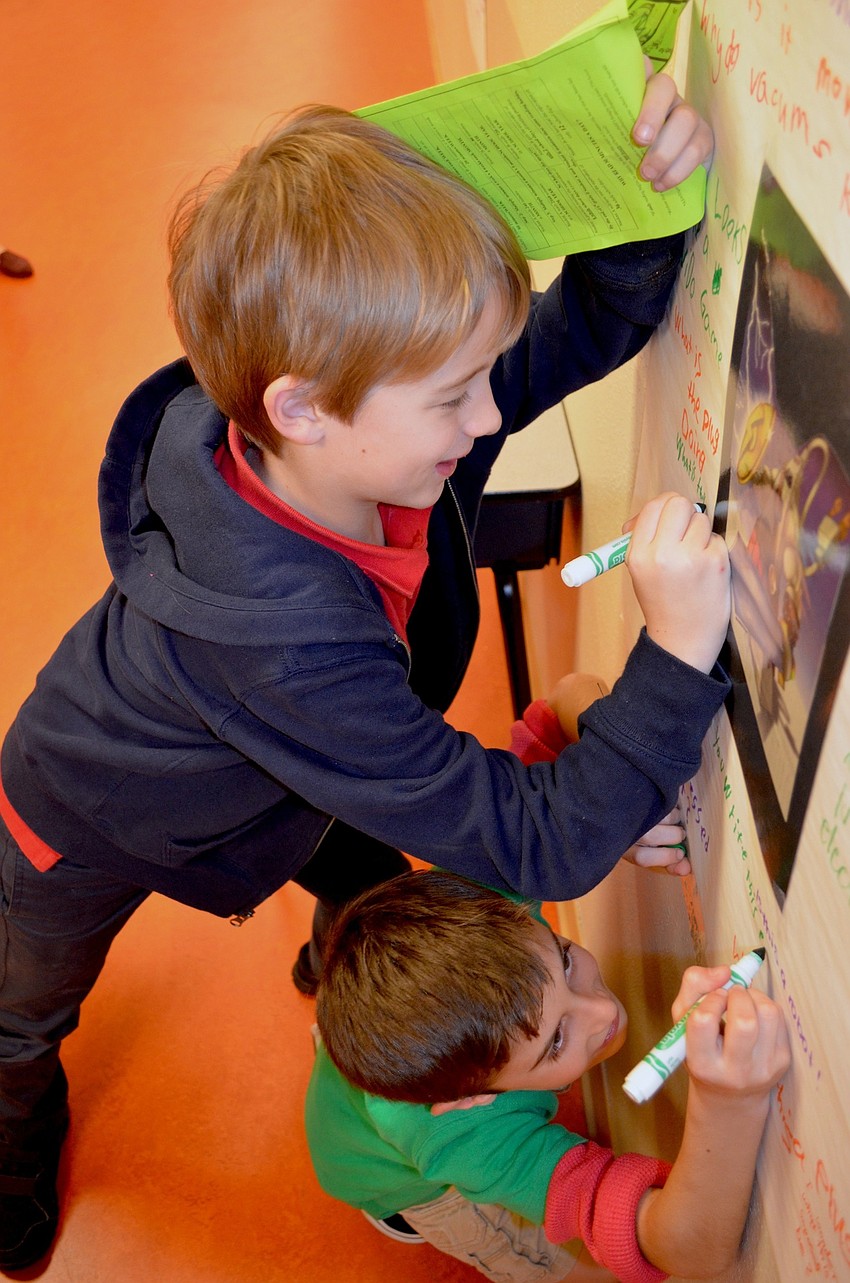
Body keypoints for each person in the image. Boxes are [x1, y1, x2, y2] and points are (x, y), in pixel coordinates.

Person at [0, 77, 724, 1270]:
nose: (490, 413)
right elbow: (534, 841)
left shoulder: (356, 415)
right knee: (27, 998)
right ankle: (14, 1119)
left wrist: (642, 194)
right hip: (86, 813)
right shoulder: (284, 638)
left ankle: (335, 924)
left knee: (357, 857)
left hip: (291, 777)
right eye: (456, 396)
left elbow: (570, 331)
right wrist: (677, 648)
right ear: (303, 411)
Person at [306, 868, 791, 1282]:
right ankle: (397, 1206)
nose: (604, 1012)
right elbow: (691, 1250)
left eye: (565, 959)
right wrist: (728, 1103)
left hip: (375, 1111)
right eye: (555, 1040)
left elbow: (540, 812)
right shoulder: (470, 1141)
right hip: (390, 1177)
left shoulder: (483, 914)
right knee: (564, 1269)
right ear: (470, 1097)